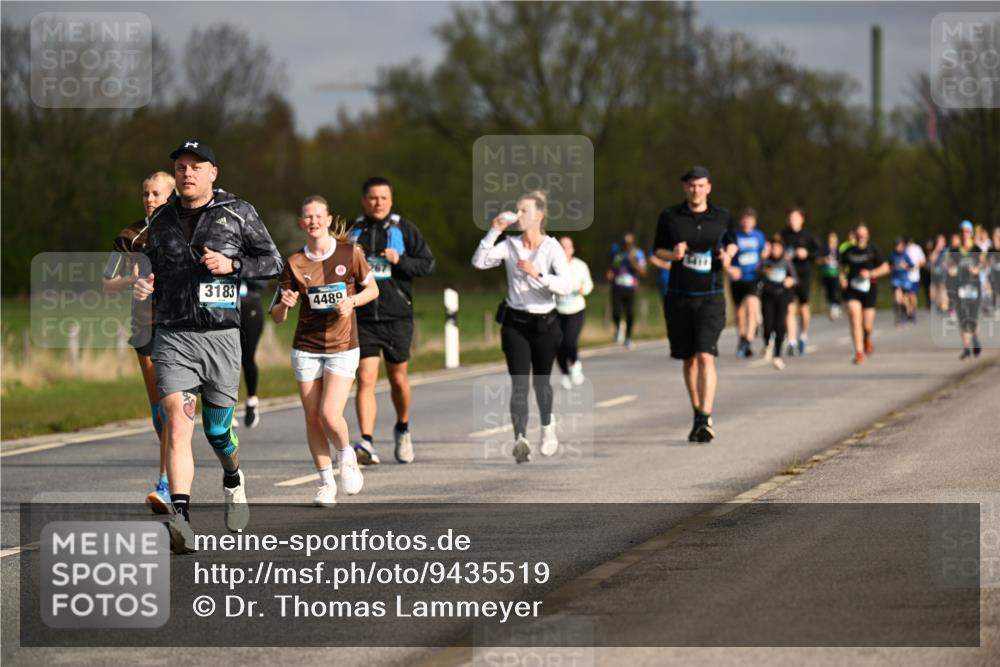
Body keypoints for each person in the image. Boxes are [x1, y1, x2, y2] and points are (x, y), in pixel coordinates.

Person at [133, 140, 283, 553]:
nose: (187, 173)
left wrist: (234, 266)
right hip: (173, 335)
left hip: (220, 337)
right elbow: (150, 266)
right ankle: (181, 520)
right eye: (180, 167)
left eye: (196, 166)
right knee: (178, 425)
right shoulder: (161, 219)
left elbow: (274, 262)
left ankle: (233, 478)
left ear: (213, 173)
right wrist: (147, 283)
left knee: (218, 432)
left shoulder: (238, 212)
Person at [271, 196, 379, 506]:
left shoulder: (350, 253)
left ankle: (346, 455)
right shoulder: (293, 262)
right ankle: (325, 483)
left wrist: (352, 302)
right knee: (312, 418)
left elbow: (372, 289)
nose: (313, 221)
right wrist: (284, 305)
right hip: (306, 347)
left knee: (330, 414)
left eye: (319, 216)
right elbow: (277, 316)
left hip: (343, 345)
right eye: (308, 217)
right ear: (301, 223)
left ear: (329, 220)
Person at [472, 191, 573, 463]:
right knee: (519, 384)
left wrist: (537, 274)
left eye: (524, 211)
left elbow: (566, 285)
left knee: (541, 383)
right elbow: (479, 262)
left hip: (545, 324)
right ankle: (520, 439)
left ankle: (547, 427)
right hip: (515, 323)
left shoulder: (551, 247)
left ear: (539, 215)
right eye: (516, 210)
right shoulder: (509, 244)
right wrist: (494, 230)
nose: (518, 216)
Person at [347, 177, 435, 465]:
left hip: (397, 316)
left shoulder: (403, 228)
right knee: (366, 378)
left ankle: (403, 427)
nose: (378, 203)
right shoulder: (353, 231)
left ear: (391, 200)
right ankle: (367, 441)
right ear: (364, 200)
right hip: (363, 316)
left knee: (398, 379)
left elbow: (428, 264)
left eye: (383, 197)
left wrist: (400, 261)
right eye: (373, 198)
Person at [103, 171, 175, 513]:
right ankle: (174, 467)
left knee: (170, 402)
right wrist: (129, 279)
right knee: (159, 410)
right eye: (145, 193)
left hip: (179, 324)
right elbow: (106, 283)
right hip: (144, 324)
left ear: (170, 195)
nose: (149, 199)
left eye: (156, 193)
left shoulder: (184, 227)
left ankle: (166, 481)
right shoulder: (130, 235)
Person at [653, 166, 737, 443]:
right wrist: (673, 254)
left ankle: (705, 417)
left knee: (705, 355)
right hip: (679, 297)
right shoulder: (670, 217)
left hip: (711, 298)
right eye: (691, 186)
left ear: (709, 188)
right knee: (689, 360)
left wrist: (728, 256)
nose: (696, 190)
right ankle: (697, 412)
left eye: (700, 185)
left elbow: (732, 243)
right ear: (685, 188)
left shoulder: (722, 216)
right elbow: (658, 250)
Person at [838, 223, 889, 365]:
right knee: (855, 319)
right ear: (855, 236)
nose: (861, 238)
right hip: (852, 289)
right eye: (859, 235)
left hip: (869, 289)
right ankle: (859, 352)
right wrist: (842, 278)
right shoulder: (847, 251)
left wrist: (871, 273)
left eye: (863, 235)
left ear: (867, 236)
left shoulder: (873, 250)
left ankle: (866, 338)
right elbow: (840, 268)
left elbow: (886, 267)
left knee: (867, 326)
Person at [781, 207, 822, 356]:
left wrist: (807, 253)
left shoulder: (808, 236)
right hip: (788, 277)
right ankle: (791, 342)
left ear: (802, 219)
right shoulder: (782, 235)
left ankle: (803, 335)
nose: (793, 221)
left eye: (796, 218)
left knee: (804, 309)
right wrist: (783, 255)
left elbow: (819, 251)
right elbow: (774, 250)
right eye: (791, 218)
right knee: (789, 309)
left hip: (804, 275)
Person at [555, 236, 594, 390]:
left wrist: (584, 289)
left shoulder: (580, 265)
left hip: (576, 309)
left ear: (572, 249)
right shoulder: (552, 266)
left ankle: (576, 364)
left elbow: (589, 282)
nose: (564, 250)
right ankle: (565, 374)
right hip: (557, 310)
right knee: (558, 345)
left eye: (567, 247)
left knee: (570, 341)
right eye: (561, 247)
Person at [943, 220, 985, 359]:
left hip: (974, 287)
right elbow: (950, 267)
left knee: (972, 317)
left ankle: (975, 339)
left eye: (967, 231)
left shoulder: (976, 249)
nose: (964, 234)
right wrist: (952, 271)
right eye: (962, 231)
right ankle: (967, 348)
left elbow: (984, 264)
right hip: (960, 288)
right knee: (962, 318)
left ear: (971, 233)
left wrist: (976, 269)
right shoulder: (954, 251)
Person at [729, 208, 767, 358]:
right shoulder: (733, 235)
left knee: (752, 306)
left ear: (754, 222)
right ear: (741, 221)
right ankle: (742, 337)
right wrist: (731, 269)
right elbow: (725, 256)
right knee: (739, 312)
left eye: (749, 219)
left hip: (754, 277)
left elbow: (764, 253)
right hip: (738, 278)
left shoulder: (759, 236)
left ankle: (748, 340)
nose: (746, 222)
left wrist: (763, 264)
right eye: (744, 219)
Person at [759, 234, 798, 370]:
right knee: (768, 325)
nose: (775, 250)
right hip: (768, 296)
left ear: (782, 249)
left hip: (782, 296)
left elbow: (795, 278)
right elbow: (757, 272)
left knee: (780, 325)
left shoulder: (786, 262)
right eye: (773, 247)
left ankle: (777, 356)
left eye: (778, 247)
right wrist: (763, 269)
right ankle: (767, 344)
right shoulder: (765, 261)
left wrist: (790, 281)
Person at [606, 233, 646, 349]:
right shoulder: (616, 252)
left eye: (629, 245)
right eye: (624, 244)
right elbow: (611, 266)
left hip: (630, 287)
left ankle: (628, 337)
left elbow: (643, 272)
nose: (626, 247)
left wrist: (632, 261)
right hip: (617, 285)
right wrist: (609, 273)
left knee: (629, 313)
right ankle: (618, 328)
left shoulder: (638, 253)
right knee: (616, 311)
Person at [239, 278, 269, 427]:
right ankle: (225, 407)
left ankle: (251, 400)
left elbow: (263, 281)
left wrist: (235, 267)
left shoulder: (252, 254)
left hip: (249, 306)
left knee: (247, 358)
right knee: (224, 359)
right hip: (222, 307)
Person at [889, 237, 916, 325]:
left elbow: (912, 265)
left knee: (905, 299)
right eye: (897, 246)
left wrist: (906, 265)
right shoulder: (892, 255)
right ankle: (898, 316)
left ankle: (909, 313)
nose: (898, 247)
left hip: (904, 278)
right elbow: (888, 265)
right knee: (897, 297)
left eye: (900, 246)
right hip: (896, 279)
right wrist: (893, 266)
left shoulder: (905, 255)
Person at [820, 232, 843, 320]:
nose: (832, 244)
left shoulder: (838, 252)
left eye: (833, 242)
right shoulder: (824, 250)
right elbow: (817, 260)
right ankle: (831, 307)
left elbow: (841, 264)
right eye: (830, 242)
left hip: (835, 274)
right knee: (828, 292)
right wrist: (824, 260)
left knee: (835, 291)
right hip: (826, 274)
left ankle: (836, 307)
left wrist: (841, 274)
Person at [904, 236, 926, 322]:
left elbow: (923, 261)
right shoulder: (903, 249)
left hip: (914, 276)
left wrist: (916, 265)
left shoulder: (917, 249)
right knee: (905, 296)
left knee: (912, 295)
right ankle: (908, 312)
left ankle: (913, 312)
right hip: (904, 276)